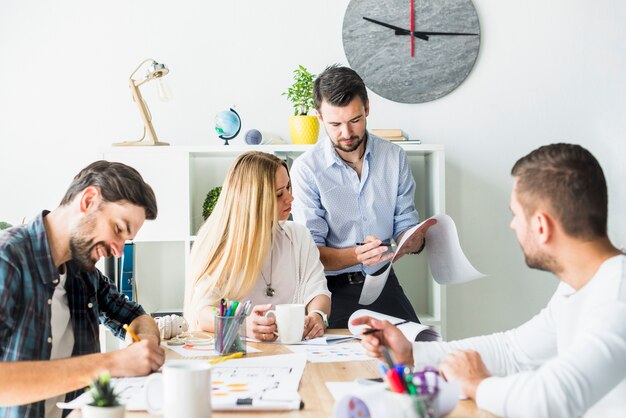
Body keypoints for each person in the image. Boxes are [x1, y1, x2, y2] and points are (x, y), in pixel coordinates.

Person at [354, 143, 626, 417]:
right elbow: (513, 351)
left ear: (541, 226)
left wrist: (477, 384)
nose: (513, 225)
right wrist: (412, 353)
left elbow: (550, 398)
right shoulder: (580, 286)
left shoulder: (617, 296)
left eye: (515, 215)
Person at [0, 161, 165, 418]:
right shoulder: (7, 260)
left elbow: (136, 316)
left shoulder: (83, 273)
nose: (119, 250)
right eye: (118, 229)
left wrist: (145, 347)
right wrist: (110, 364)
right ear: (88, 200)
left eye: (126, 239)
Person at [290, 64, 436, 328]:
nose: (346, 134)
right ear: (320, 118)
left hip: (381, 283)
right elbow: (310, 253)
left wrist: (413, 240)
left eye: (355, 120)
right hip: (328, 291)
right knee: (333, 360)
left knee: (420, 347)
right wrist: (358, 256)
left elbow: (405, 223)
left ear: (367, 108)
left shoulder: (394, 157)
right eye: (335, 124)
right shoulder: (306, 169)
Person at [184, 151, 331, 342]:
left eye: (288, 188)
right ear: (253, 200)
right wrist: (242, 325)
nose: (289, 198)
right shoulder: (217, 245)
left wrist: (317, 316)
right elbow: (202, 312)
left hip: (293, 351)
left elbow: (318, 290)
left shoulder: (298, 236)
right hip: (239, 356)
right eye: (279, 194)